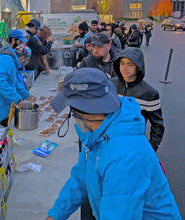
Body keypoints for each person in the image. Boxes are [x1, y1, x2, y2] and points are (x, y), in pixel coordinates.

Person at [46, 67, 182, 220]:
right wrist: (56, 215)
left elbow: (119, 213)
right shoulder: (97, 134)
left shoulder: (124, 158)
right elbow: (81, 178)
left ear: (83, 111)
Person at [112, 47, 164, 151]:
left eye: (130, 64)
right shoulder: (110, 85)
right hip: (110, 141)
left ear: (138, 67)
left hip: (133, 145)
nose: (125, 68)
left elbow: (157, 124)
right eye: (122, 63)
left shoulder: (149, 93)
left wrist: (151, 147)